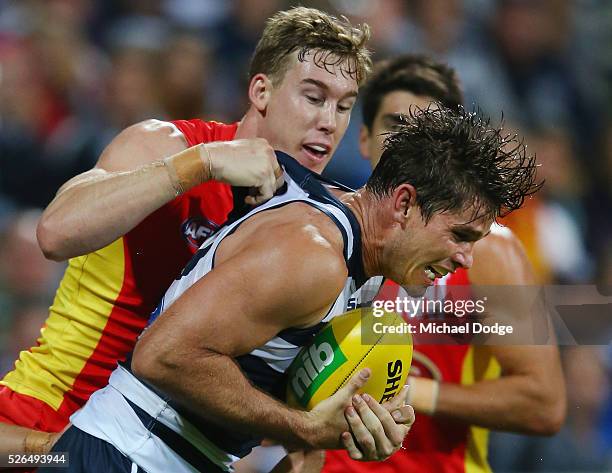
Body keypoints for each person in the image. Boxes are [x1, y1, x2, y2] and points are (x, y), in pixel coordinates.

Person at [41, 105, 540, 473]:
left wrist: (341, 435)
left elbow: (296, 448)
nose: (465, 259)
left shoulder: (360, 269)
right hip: (121, 454)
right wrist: (302, 427)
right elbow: (162, 356)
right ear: (405, 203)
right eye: (460, 235)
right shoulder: (312, 256)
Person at [0, 6, 375, 458]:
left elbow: (275, 418)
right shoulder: (172, 146)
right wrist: (199, 166)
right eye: (314, 98)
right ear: (261, 90)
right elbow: (54, 233)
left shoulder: (314, 235)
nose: (330, 122)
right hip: (42, 426)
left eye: (344, 106)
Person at [323, 55, 566, 473]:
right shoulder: (326, 232)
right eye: (396, 126)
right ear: (363, 138)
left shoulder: (487, 253)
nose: (406, 144)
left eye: (426, 132)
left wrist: (405, 389)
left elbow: (544, 403)